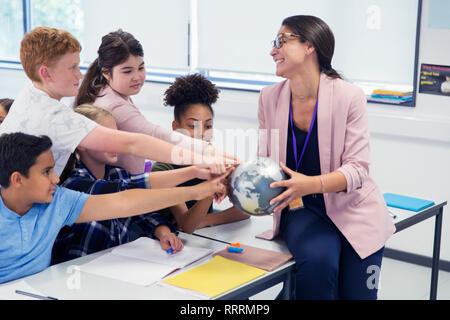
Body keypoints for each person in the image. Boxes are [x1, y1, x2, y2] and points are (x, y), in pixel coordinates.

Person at [256, 15, 395, 300]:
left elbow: (358, 170)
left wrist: (310, 184)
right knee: (318, 266)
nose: (273, 51)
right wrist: (236, 179)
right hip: (302, 209)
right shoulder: (268, 98)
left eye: (282, 41)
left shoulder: (349, 97)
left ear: (310, 46)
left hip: (355, 210)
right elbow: (265, 164)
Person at [0, 26, 234, 179]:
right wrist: (204, 156)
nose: (79, 75)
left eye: (141, 68)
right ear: (46, 73)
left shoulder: (31, 94)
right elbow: (136, 141)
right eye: (72, 68)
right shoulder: (54, 115)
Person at [0, 132, 229, 284]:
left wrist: (197, 192)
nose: (56, 179)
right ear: (18, 179)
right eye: (46, 172)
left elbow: (124, 201)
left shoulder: (58, 201)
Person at [53, 105, 211, 264]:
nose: (117, 143)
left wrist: (164, 233)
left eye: (118, 136)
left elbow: (144, 213)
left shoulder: (118, 173)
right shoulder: (74, 182)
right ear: (82, 143)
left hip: (111, 266)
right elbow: (127, 191)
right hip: (76, 270)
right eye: (109, 137)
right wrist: (195, 176)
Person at [75, 29, 225, 174]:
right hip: (122, 187)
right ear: (106, 73)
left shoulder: (112, 93)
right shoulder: (114, 105)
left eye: (141, 68)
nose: (137, 77)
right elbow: (155, 135)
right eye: (127, 71)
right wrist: (207, 150)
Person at [151, 74, 249, 233]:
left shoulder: (213, 162)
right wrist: (211, 188)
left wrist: (210, 219)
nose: (202, 133)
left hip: (204, 241)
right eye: (192, 126)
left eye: (208, 126)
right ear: (176, 128)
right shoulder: (163, 169)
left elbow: (245, 210)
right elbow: (186, 225)